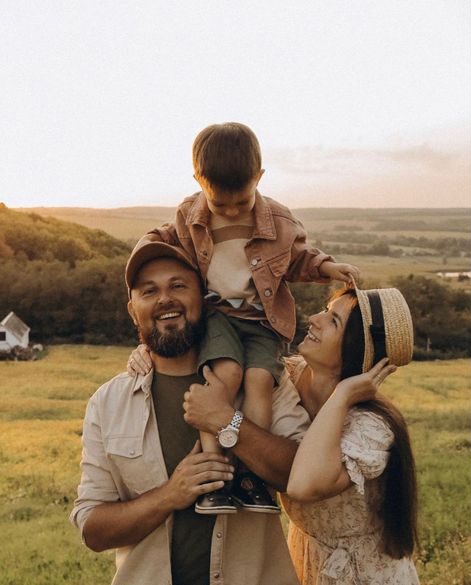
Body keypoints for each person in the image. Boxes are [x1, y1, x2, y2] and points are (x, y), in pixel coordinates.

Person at [131, 121, 360, 514]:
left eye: (243, 200)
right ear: (199, 182)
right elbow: (158, 241)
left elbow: (298, 258)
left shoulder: (280, 222)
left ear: (259, 177)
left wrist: (327, 268)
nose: (233, 210)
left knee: (257, 381)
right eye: (221, 204)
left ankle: (249, 477)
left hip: (262, 319)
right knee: (225, 377)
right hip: (216, 312)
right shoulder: (189, 214)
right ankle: (217, 476)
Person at [70, 237, 313, 585]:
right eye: (148, 291)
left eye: (178, 286)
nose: (165, 298)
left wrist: (228, 423)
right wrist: (170, 494)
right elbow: (93, 529)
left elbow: (302, 475)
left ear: (204, 298)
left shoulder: (262, 382)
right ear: (132, 309)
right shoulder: (108, 403)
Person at [282, 286, 420, 584]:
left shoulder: (372, 427)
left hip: (365, 574)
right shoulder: (287, 378)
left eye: (333, 321)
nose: (315, 319)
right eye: (325, 309)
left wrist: (343, 395)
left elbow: (303, 485)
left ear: (355, 350)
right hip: (306, 557)